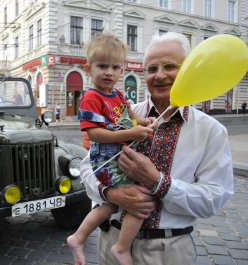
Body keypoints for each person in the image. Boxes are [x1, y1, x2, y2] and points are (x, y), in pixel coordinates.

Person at [81, 32, 234, 265]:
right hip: (111, 243)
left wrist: (159, 182)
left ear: (187, 71)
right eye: (152, 69)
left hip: (168, 251)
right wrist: (111, 193)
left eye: (170, 66)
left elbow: (213, 198)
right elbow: (88, 168)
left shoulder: (211, 130)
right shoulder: (125, 113)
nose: (160, 75)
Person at [67, 33, 156, 265]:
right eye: (102, 66)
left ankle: (78, 237)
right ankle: (122, 248)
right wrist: (130, 134)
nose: (109, 72)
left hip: (119, 155)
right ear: (88, 68)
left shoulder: (118, 94)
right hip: (106, 159)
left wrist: (142, 122)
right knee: (139, 199)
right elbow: (93, 134)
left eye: (115, 67)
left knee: (109, 205)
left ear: (122, 70)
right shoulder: (90, 97)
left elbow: (132, 116)